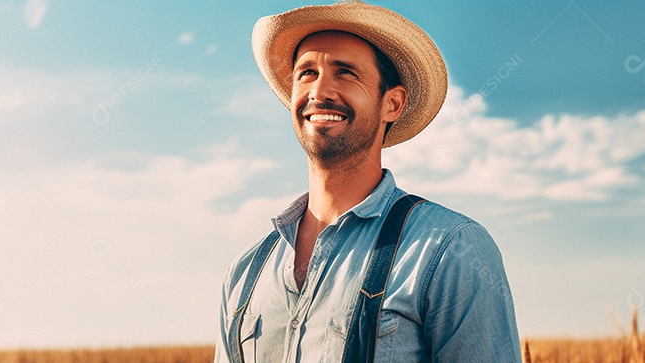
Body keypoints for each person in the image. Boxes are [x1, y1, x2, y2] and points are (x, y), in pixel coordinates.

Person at [216, 2, 521, 362]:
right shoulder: (246, 271)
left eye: (345, 72)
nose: (319, 91)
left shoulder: (450, 250)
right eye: (307, 73)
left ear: (392, 103)